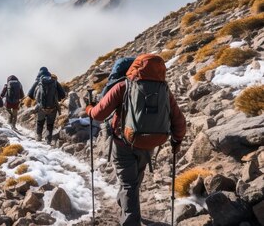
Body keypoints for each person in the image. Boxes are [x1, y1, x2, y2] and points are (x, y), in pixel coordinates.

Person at [86, 54, 186, 226]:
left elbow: (98, 114)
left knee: (128, 184)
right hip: (149, 143)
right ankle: (126, 205)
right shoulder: (163, 90)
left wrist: (89, 109)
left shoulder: (122, 86)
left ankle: (130, 220)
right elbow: (179, 121)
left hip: (123, 143)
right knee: (133, 182)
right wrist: (176, 141)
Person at [27, 67, 66, 143]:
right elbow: (63, 95)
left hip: (41, 107)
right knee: (50, 124)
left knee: (40, 122)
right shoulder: (54, 81)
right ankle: (48, 140)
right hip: (53, 107)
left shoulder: (38, 81)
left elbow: (30, 95)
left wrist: (38, 100)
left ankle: (38, 137)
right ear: (48, 73)